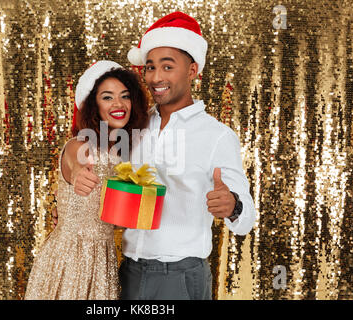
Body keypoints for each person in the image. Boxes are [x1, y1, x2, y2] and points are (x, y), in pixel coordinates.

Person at [116, 11, 257, 300]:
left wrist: (233, 205)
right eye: (151, 67)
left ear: (192, 70)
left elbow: (247, 220)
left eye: (168, 67)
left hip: (179, 279)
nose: (156, 78)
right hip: (128, 273)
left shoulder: (217, 136)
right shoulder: (135, 127)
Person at [25, 61, 149, 300]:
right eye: (107, 97)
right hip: (71, 259)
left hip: (103, 259)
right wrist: (79, 173)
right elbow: (75, 162)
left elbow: (113, 217)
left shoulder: (122, 154)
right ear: (93, 105)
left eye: (125, 96)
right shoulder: (80, 144)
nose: (118, 104)